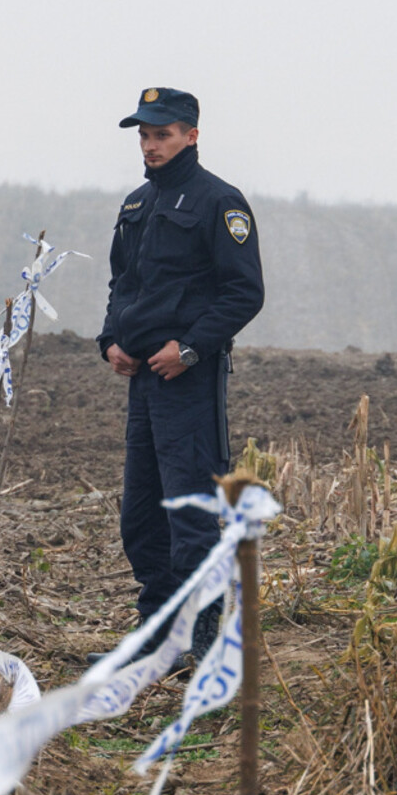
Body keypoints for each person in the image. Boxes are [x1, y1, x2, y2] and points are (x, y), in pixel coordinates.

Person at [96, 87, 264, 665]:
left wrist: (189, 349)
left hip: (188, 380)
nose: (150, 144)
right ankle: (157, 629)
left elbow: (244, 292)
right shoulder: (137, 205)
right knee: (141, 513)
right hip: (143, 380)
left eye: (162, 134)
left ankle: (202, 635)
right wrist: (111, 341)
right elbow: (124, 287)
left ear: (191, 134)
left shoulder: (221, 202)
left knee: (191, 506)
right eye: (143, 135)